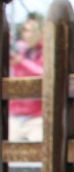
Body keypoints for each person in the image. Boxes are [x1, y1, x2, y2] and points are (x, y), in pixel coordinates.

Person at [9, 13, 44, 141]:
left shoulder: (47, 50)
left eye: (30, 30)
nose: (26, 34)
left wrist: (21, 62)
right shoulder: (20, 49)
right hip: (15, 114)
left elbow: (45, 75)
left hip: (38, 116)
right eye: (24, 30)